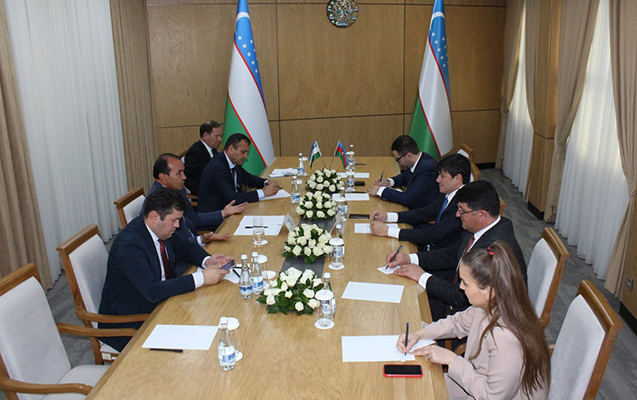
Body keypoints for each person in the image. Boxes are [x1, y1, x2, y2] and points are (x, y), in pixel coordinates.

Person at [397, 242, 550, 400]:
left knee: (423, 390)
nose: (461, 287)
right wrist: (420, 334)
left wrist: (451, 360)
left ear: (489, 292)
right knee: (418, 387)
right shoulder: (488, 306)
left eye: (466, 283)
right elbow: (456, 324)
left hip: (489, 394)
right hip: (476, 381)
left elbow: (492, 397)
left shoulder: (505, 338)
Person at [99, 189, 232, 351]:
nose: (178, 225)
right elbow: (152, 291)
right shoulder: (129, 246)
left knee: (215, 314)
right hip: (132, 321)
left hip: (166, 301)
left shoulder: (160, 228)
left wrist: (207, 260)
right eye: (174, 220)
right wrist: (201, 278)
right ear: (155, 217)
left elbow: (185, 248)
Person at [385, 180, 526, 321]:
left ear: (482, 214)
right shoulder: (479, 227)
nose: (458, 215)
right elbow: (451, 254)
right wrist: (410, 258)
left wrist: (421, 276)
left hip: (473, 317)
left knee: (401, 313)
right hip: (455, 295)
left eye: (462, 211)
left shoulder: (492, 250)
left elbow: (461, 297)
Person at [145, 153, 248, 275]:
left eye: (183, 172)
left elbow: (192, 218)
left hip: (194, 250)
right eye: (179, 173)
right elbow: (172, 246)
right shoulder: (157, 204)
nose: (184, 177)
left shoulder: (177, 190)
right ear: (163, 176)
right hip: (181, 264)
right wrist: (200, 240)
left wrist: (222, 213)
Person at [369, 153, 469, 252]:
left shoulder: (462, 206)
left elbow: (433, 235)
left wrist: (388, 231)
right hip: (431, 243)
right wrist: (387, 216)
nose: (437, 180)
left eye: (442, 176)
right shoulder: (449, 192)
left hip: (438, 253)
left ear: (458, 179)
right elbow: (425, 213)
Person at [197, 133, 280, 213]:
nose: (246, 156)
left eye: (247, 152)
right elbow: (232, 198)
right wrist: (263, 192)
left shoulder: (233, 162)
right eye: (243, 152)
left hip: (232, 210)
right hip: (215, 216)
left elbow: (249, 178)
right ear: (231, 148)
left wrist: (266, 182)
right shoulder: (217, 167)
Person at [368, 135, 440, 210]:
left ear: (409, 155)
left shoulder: (427, 169)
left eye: (398, 159)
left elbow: (408, 198)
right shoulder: (419, 159)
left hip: (422, 211)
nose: (398, 162)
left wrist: (381, 191)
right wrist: (389, 182)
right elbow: (405, 176)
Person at [185, 120, 223, 195]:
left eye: (220, 136)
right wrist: (203, 192)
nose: (220, 140)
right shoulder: (195, 152)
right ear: (205, 135)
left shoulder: (214, 151)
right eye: (216, 136)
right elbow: (187, 177)